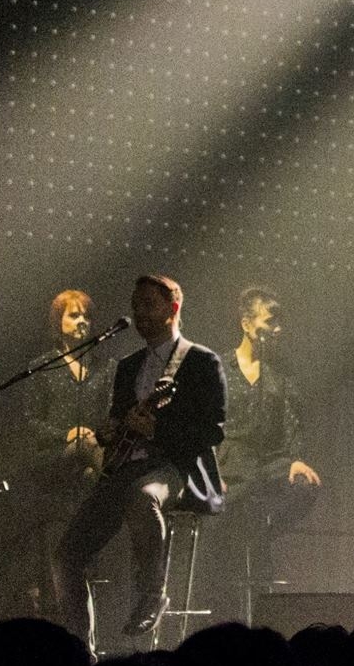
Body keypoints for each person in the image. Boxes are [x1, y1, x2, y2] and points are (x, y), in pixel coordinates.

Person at [52, 275, 226, 642]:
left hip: (175, 467)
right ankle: (80, 649)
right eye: (135, 306)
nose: (139, 313)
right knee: (66, 556)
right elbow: (118, 419)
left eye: (148, 305)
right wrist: (112, 431)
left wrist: (157, 430)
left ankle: (151, 595)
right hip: (125, 468)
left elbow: (212, 432)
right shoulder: (129, 365)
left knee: (143, 497)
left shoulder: (201, 361)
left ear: (172, 308)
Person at [0, 289, 110, 619]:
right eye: (74, 315)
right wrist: (66, 434)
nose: (82, 321)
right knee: (85, 450)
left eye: (86, 316)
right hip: (51, 458)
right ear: (59, 322)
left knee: (89, 462)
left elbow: (112, 415)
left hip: (89, 458)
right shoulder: (43, 367)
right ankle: (114, 487)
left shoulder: (106, 368)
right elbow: (29, 422)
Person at [213, 286, 321, 616]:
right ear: (247, 324)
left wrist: (295, 459)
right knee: (235, 504)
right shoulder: (220, 367)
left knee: (305, 486)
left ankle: (259, 535)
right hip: (230, 460)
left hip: (269, 461)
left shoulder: (281, 371)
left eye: (279, 322)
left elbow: (291, 420)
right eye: (270, 321)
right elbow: (206, 424)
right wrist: (209, 470)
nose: (277, 329)